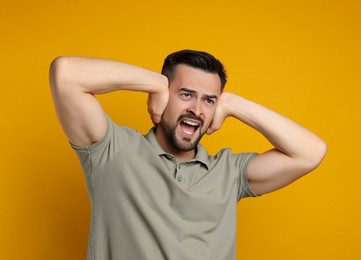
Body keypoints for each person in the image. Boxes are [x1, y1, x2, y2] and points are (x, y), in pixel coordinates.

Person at [49, 50, 327, 260]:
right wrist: (154, 83)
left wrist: (232, 103)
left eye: (209, 100)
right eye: (185, 94)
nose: (197, 109)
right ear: (165, 96)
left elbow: (311, 152)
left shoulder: (228, 173)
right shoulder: (113, 152)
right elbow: (65, 74)